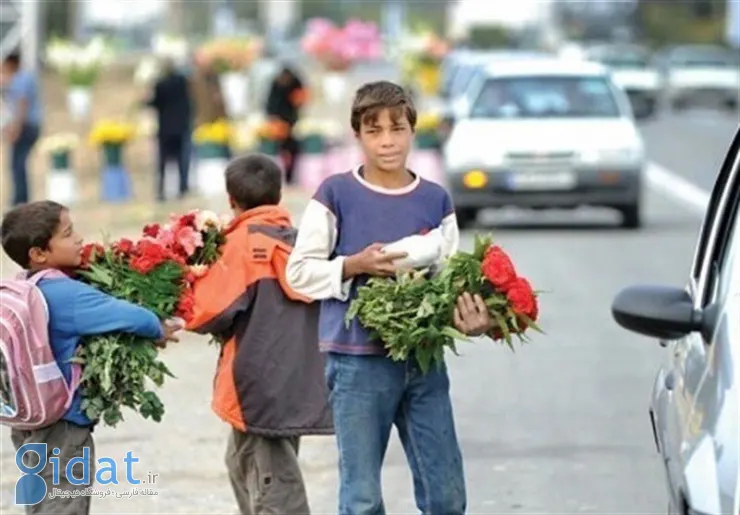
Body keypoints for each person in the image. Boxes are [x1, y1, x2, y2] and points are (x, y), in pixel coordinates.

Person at [286, 81, 496, 515]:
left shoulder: (434, 199)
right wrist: (353, 265)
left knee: (447, 497)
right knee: (361, 499)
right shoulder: (335, 194)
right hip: (356, 363)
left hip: (423, 362)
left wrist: (474, 318)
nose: (387, 141)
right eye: (374, 130)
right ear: (357, 136)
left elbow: (448, 281)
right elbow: (298, 274)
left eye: (397, 129)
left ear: (412, 131)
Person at [1, 200, 179, 515]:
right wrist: (158, 327)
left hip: (29, 418)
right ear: (39, 253)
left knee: (42, 497)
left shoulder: (24, 285)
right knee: (65, 500)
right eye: (68, 234)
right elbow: (133, 316)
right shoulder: (67, 295)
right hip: (63, 422)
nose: (80, 239)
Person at [185, 154, 333, 514]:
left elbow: (208, 312)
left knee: (273, 483)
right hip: (294, 381)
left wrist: (191, 277)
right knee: (245, 463)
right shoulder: (296, 242)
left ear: (231, 200)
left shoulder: (241, 248)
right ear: (279, 195)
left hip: (257, 384)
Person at [145, 58, 193, 201]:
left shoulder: (160, 84)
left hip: (165, 128)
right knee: (182, 160)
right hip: (181, 126)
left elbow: (156, 103)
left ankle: (161, 191)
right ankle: (182, 188)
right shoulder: (182, 82)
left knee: (163, 162)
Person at [1, 51, 42, 207]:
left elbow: (22, 105)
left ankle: (20, 200)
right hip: (29, 125)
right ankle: (20, 199)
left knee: (17, 165)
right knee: (18, 164)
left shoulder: (20, 80)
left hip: (25, 126)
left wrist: (16, 129)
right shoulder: (24, 78)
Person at [265, 66, 307, 185]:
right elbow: (270, 105)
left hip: (291, 123)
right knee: (278, 151)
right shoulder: (275, 86)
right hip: (278, 124)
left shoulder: (295, 83)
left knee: (292, 151)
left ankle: (290, 177)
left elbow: (300, 100)